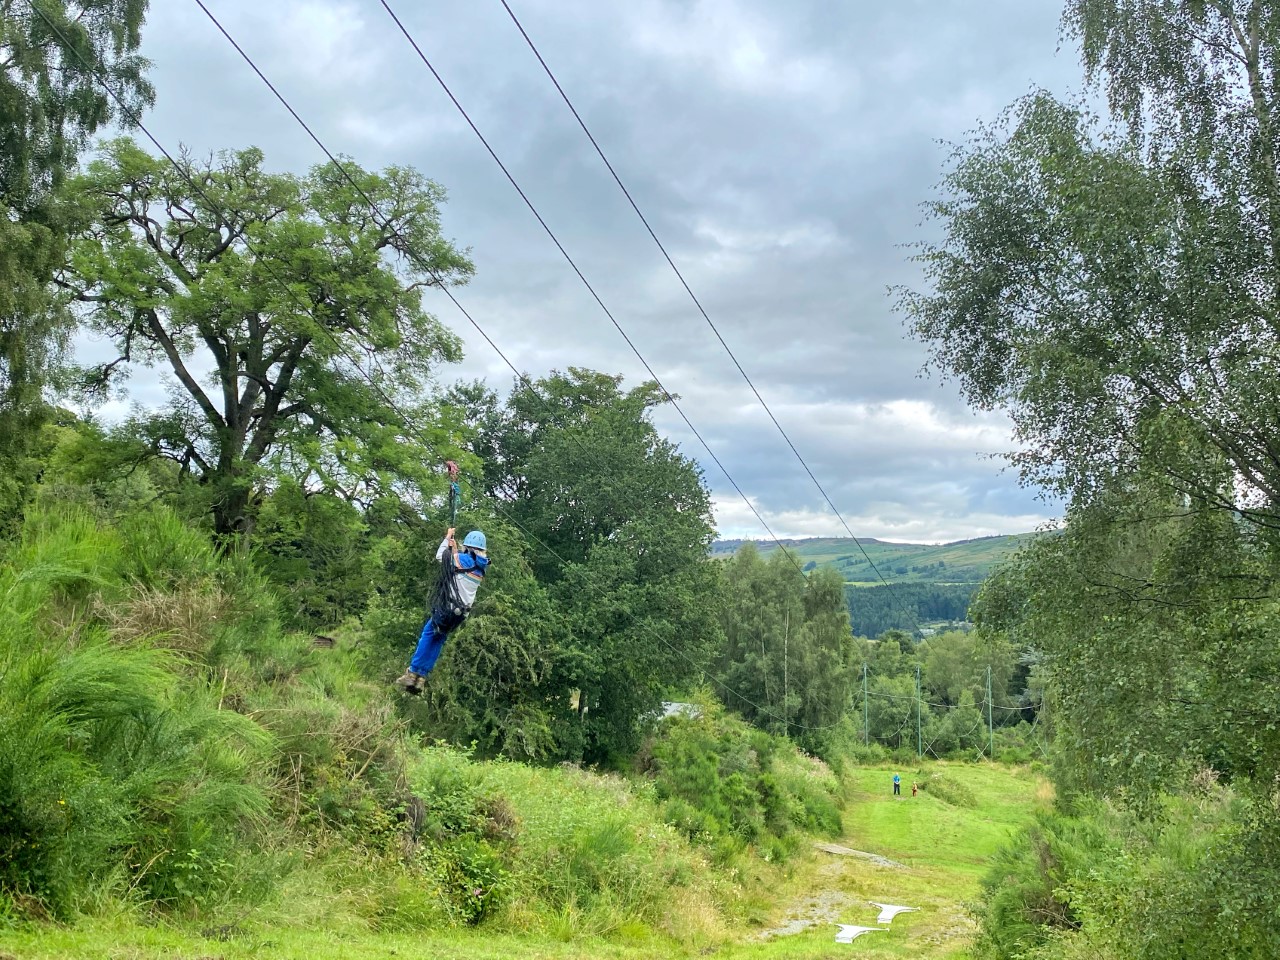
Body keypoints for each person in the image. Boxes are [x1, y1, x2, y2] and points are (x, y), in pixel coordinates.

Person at [394, 527, 489, 694]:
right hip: (460, 615)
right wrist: (454, 550)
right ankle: (421, 678)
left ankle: (412, 673)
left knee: (428, 634)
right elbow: (460, 567)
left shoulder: (462, 560)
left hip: (447, 608)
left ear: (468, 546)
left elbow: (441, 557)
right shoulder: (480, 567)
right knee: (439, 639)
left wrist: (447, 538)